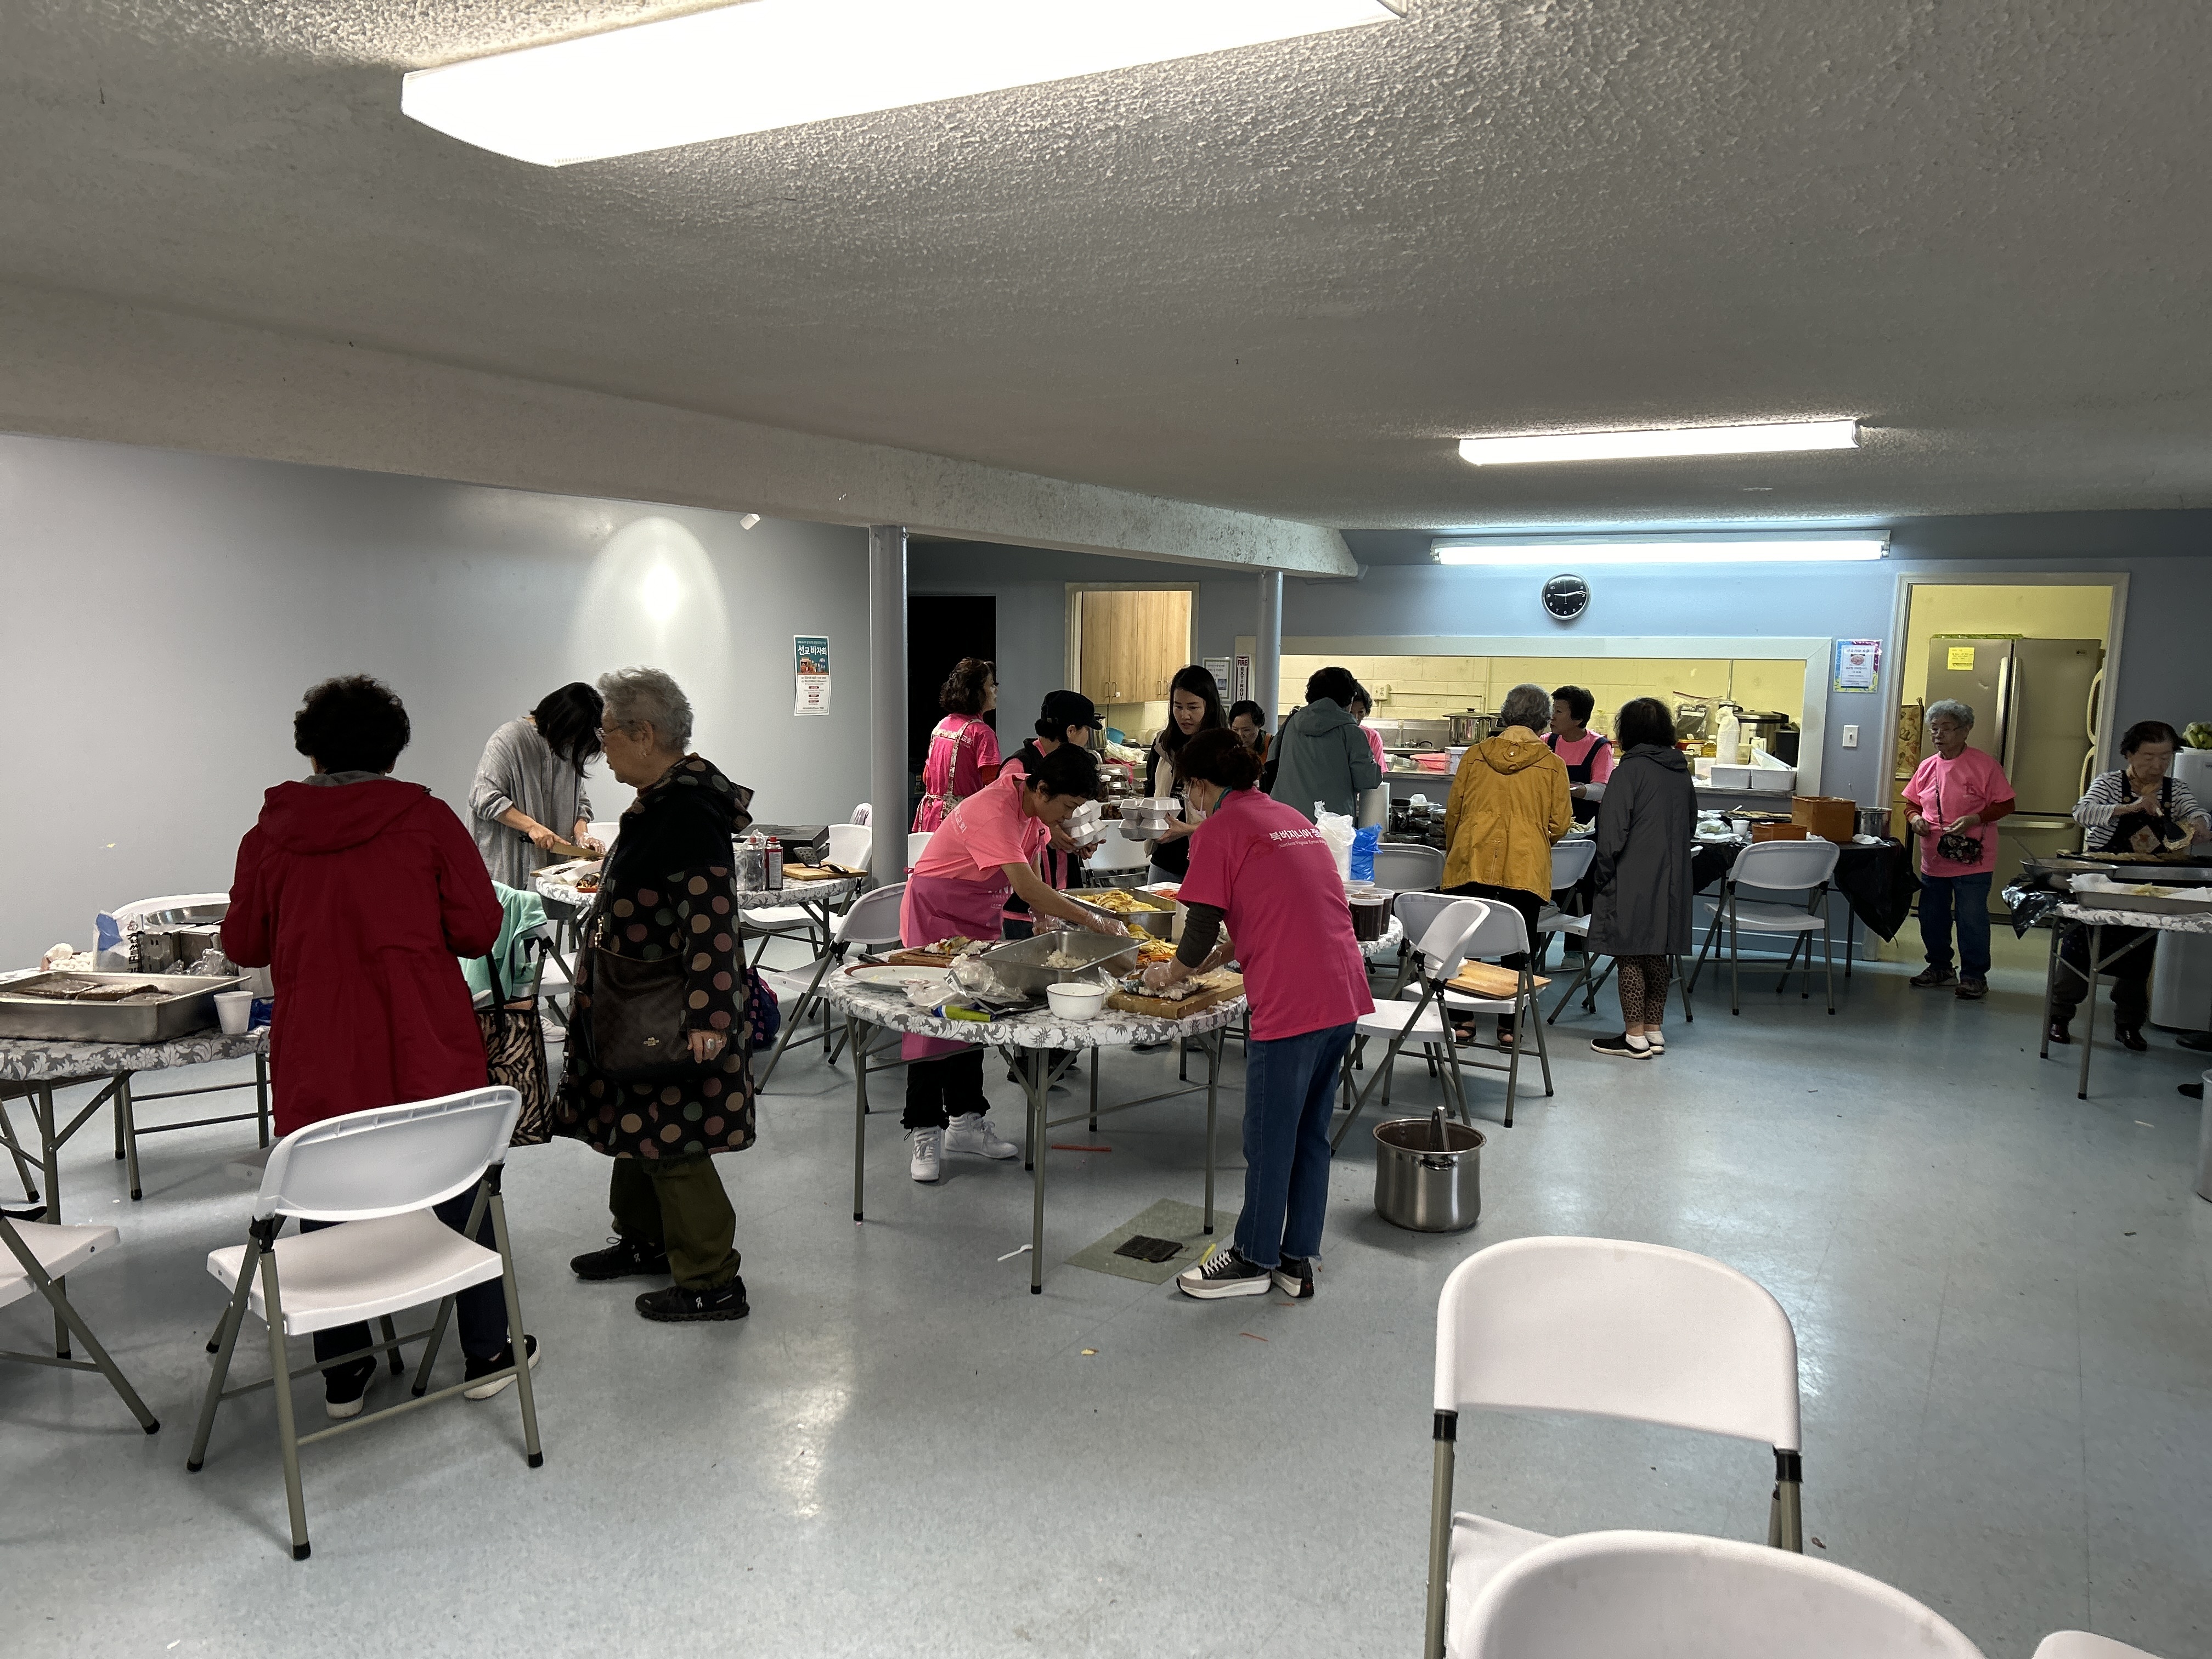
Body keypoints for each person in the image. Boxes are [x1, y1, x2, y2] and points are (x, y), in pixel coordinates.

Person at [222, 675, 524, 1419]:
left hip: (320, 1056)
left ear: (312, 752)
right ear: (392, 753)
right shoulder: (427, 822)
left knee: (326, 1192)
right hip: (428, 1047)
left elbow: (244, 944)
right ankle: (488, 1353)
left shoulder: (269, 835)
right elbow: (478, 930)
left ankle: (344, 1371)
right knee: (464, 1187)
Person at [1142, 730, 1373, 1301]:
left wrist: (1172, 973)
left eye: (1188, 788)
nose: (1190, 799)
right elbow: (1285, 902)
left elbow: (1198, 927)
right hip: (1342, 990)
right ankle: (1296, 1259)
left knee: (1270, 1137)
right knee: (1309, 1134)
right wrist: (1230, 950)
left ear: (1200, 785)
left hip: (1293, 1002)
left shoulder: (1220, 828)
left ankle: (1251, 1258)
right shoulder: (1287, 817)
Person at [556, 668, 757, 1324]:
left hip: (665, 1007)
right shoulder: (663, 800)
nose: (602, 748)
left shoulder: (686, 812)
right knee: (635, 1123)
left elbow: (712, 921)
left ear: (643, 733)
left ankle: (711, 1280)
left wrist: (710, 1015)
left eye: (607, 734)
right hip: (634, 1003)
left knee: (673, 1139)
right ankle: (645, 1239)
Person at [900, 746, 1128, 1182]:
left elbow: (1034, 867)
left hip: (977, 913)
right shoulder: (995, 811)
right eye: (1066, 806)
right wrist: (1092, 920)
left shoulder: (1031, 808)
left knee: (977, 1013)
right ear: (1042, 789)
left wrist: (1044, 916)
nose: (1066, 817)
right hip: (936, 912)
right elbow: (1026, 887)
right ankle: (925, 1127)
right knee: (934, 1020)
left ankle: (966, 1121)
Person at [2049, 719, 2211, 1050]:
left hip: (2146, 885)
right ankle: (2060, 1016)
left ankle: (2128, 1025)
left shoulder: (2175, 790)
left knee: (2138, 955)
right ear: (2130, 754)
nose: (2158, 765)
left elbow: (2197, 814)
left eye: (2165, 757)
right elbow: (2082, 813)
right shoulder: (2109, 783)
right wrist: (2130, 808)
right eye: (2150, 756)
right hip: (2102, 882)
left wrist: (2200, 824)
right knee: (2080, 949)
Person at [1440, 682, 1574, 1044]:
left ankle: (1463, 1018)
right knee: (1519, 944)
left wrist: (1458, 849)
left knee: (1465, 941)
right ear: (1544, 721)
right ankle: (1509, 1026)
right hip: (1525, 866)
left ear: (1504, 715)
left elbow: (1454, 813)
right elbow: (1560, 823)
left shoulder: (1475, 755)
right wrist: (1533, 840)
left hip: (1471, 858)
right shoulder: (1553, 765)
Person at [1583, 697, 1696, 1058]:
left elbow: (1612, 834)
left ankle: (1633, 1038)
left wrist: (1603, 877)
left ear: (1627, 731)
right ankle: (1653, 1029)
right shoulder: (1680, 771)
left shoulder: (1629, 772)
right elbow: (1691, 824)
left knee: (1629, 953)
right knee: (1657, 953)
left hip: (1633, 875)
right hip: (1673, 877)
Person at [1900, 699, 2018, 1001]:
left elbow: (2006, 804)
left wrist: (1975, 818)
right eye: (1934, 729)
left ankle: (1974, 976)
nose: (1938, 735)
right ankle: (1940, 967)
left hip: (1973, 859)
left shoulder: (1984, 765)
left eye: (1947, 728)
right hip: (1934, 857)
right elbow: (1911, 804)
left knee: (1971, 918)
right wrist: (1914, 819)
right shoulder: (1927, 766)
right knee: (1931, 916)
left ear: (1966, 730)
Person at [468, 682, 605, 889]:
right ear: (561, 723)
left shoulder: (567, 746)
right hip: (503, 865)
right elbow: (484, 797)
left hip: (547, 867)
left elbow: (580, 802)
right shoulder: (510, 739)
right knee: (504, 907)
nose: (573, 746)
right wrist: (532, 827)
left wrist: (582, 836)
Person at [1000, 689, 1099, 940]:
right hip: (1025, 906)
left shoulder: (1070, 768)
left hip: (1062, 892)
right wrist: (1049, 831)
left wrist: (1080, 840)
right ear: (1071, 731)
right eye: (1087, 730)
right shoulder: (1020, 767)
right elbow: (1008, 830)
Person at [1142, 664, 1228, 884]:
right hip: (1164, 859)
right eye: (1178, 706)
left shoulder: (1224, 750)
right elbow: (1151, 793)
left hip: (1207, 860)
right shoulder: (1163, 745)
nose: (1184, 715)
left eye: (1193, 707)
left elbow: (1233, 818)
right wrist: (1142, 823)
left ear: (1209, 706)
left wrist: (1187, 830)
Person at [1266, 667, 1384, 822]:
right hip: (1332, 822)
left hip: (1286, 817)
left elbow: (1272, 760)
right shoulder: (1352, 733)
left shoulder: (1292, 723)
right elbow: (1367, 780)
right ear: (1349, 699)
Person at [912, 658, 1001, 832]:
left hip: (931, 819)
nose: (996, 690)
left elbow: (926, 777)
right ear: (976, 692)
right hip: (962, 823)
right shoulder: (982, 733)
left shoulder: (942, 726)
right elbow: (994, 787)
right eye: (991, 685)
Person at [1547, 685, 1615, 825]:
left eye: (1558, 711)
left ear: (1578, 719)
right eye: (1552, 710)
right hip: (1551, 825)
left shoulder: (1600, 747)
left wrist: (1567, 788)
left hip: (1585, 827)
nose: (1552, 717)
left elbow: (1602, 790)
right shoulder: (1546, 741)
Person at [1349, 686, 1389, 772]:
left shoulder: (1372, 737)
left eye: (1361, 712)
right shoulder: (1333, 735)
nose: (1355, 718)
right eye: (1350, 712)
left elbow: (1379, 773)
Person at [1227, 699, 1271, 763]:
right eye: (1235, 730)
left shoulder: (1271, 745)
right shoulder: (1225, 747)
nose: (1240, 735)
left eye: (1246, 730)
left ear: (1259, 726)